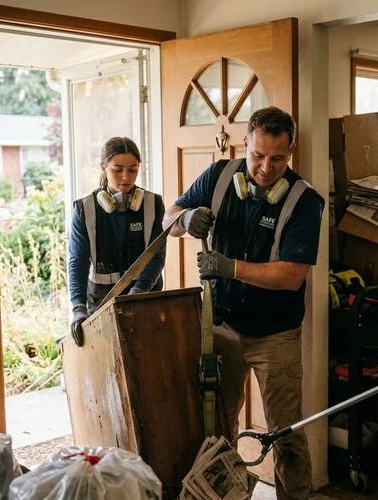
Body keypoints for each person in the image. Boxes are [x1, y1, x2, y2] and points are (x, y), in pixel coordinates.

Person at [163, 106, 324, 500]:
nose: (266, 167)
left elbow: (292, 275)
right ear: (245, 144)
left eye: (278, 158)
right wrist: (184, 221)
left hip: (276, 335)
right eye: (258, 155)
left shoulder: (304, 201)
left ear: (291, 152)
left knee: (286, 432)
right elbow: (169, 215)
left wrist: (230, 268)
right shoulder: (217, 177)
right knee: (217, 430)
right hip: (219, 328)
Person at [68, 137, 165, 346]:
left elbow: (157, 256)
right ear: (103, 167)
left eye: (132, 170)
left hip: (145, 299)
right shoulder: (85, 209)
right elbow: (78, 262)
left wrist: (137, 293)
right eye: (117, 169)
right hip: (101, 303)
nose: (125, 177)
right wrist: (78, 309)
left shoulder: (153, 204)